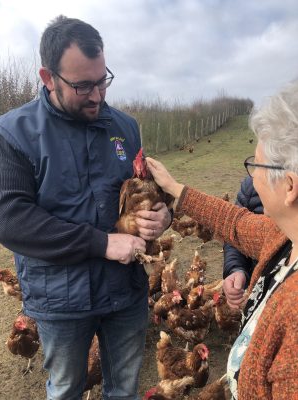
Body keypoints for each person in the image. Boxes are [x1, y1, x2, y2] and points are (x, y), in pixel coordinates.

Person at [0, 16, 172, 400]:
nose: (96, 95)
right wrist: (102, 243)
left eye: (102, 80)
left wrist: (162, 216)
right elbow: (11, 220)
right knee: (65, 391)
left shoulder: (125, 127)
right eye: (82, 85)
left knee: (124, 390)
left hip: (126, 293)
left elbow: (147, 190)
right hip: (61, 300)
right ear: (48, 77)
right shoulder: (13, 133)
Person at [146, 80, 298, 399]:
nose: (251, 176)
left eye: (256, 164)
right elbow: (235, 221)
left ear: (290, 186)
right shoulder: (284, 237)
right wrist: (176, 189)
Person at [223, 176, 263, 308]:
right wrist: (236, 269)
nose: (254, 174)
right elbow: (235, 233)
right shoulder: (251, 186)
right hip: (254, 288)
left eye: (259, 164)